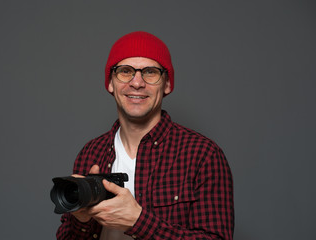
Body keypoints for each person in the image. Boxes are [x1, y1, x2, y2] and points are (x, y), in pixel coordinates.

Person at [56, 31, 234, 240]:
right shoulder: (91, 153)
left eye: (150, 72)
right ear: (110, 83)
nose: (137, 83)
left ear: (167, 84)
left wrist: (138, 222)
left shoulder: (203, 155)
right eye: (125, 71)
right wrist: (82, 220)